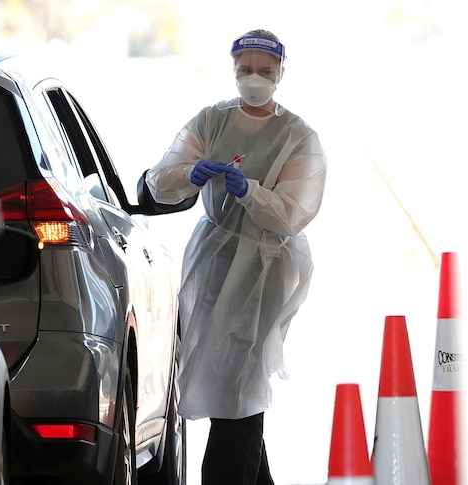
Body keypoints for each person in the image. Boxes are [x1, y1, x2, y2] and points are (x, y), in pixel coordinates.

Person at [145, 29, 327, 484]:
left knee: (242, 386)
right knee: (228, 388)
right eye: (245, 70)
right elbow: (161, 179)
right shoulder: (212, 120)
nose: (254, 79)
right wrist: (191, 171)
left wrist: (252, 193)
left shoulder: (298, 136)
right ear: (233, 70)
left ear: (281, 73)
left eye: (265, 71)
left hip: (265, 269)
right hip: (214, 260)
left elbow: (290, 214)